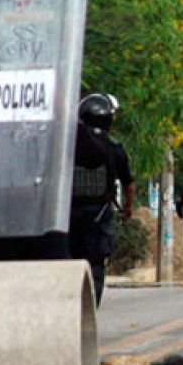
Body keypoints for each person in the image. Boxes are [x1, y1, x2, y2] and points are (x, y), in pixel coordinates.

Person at [69, 93, 135, 304]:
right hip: (98, 215)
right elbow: (129, 183)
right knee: (95, 263)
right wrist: (127, 207)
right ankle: (90, 307)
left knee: (67, 260)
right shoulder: (114, 148)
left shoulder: (66, 145)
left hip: (66, 214)